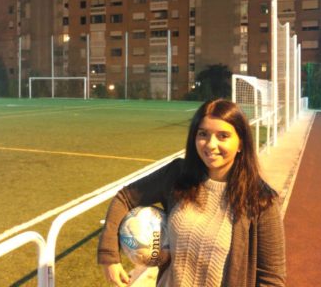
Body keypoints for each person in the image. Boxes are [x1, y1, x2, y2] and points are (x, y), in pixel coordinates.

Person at [98, 98, 286, 286]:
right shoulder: (177, 175)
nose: (211, 144)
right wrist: (109, 256)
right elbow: (125, 197)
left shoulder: (261, 200)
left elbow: (272, 279)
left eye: (223, 136)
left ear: (241, 144)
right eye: (203, 134)